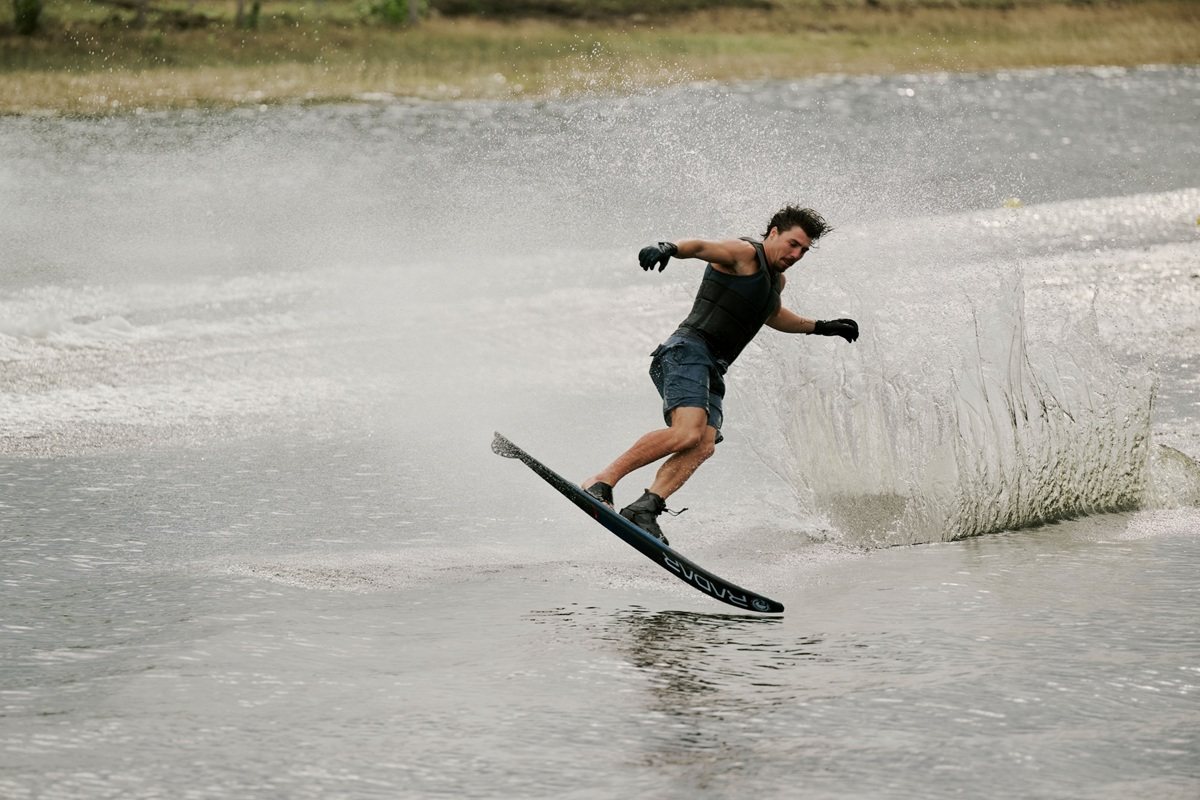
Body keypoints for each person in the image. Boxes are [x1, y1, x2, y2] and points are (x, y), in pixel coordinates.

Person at [581, 205, 859, 545]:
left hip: (714, 366)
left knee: (703, 445)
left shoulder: (776, 280)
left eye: (803, 249)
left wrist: (820, 327)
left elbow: (771, 315)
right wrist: (669, 247)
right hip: (687, 351)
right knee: (686, 434)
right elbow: (701, 247)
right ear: (773, 233)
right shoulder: (744, 253)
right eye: (792, 243)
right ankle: (601, 482)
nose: (796, 254)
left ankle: (645, 507)